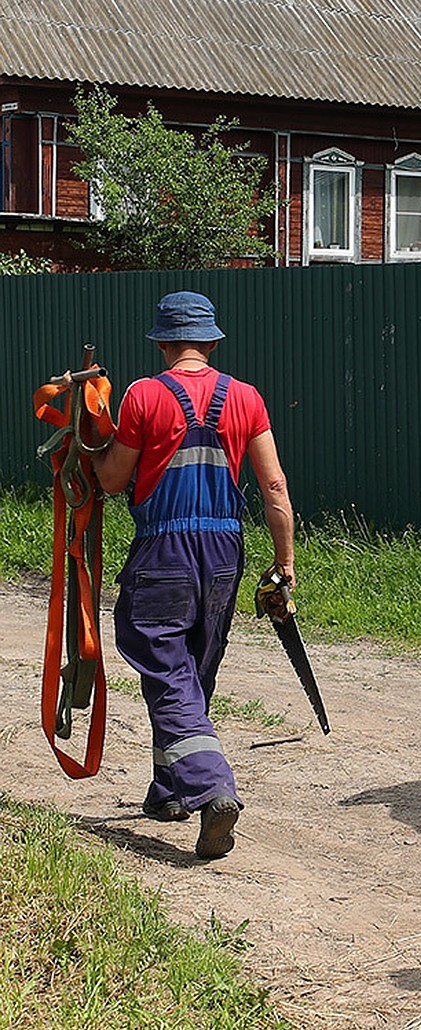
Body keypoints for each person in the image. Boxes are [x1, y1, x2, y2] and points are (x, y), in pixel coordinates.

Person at [90, 291, 295, 860]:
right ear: (209, 342)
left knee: (164, 663)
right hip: (225, 549)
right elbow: (275, 488)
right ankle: (170, 791)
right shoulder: (246, 397)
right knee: (193, 667)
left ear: (161, 343)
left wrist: (90, 447)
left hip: (165, 549)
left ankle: (210, 786)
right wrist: (285, 565)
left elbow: (111, 480)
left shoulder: (144, 395)